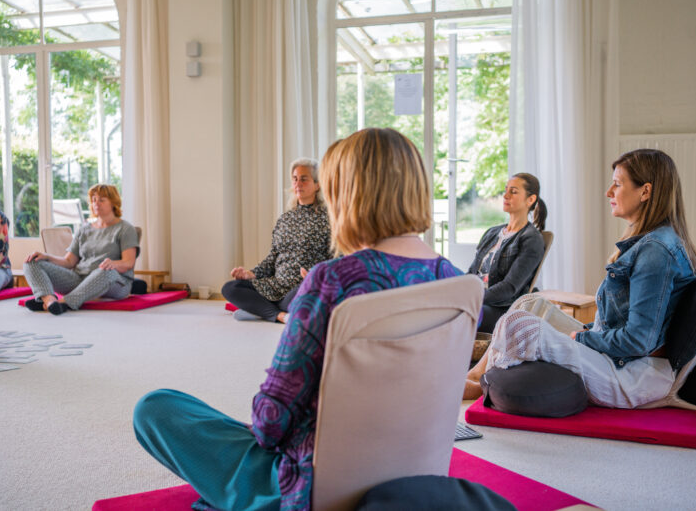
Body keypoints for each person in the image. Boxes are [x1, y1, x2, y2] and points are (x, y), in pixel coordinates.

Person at [134, 128, 466, 510]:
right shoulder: (457, 281)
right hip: (418, 472)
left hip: (316, 486)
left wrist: (264, 429)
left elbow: (270, 422)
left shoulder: (333, 280)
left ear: (345, 193)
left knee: (157, 407)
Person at [464, 149, 696, 408]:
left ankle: (484, 383)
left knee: (517, 323)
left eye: (618, 184)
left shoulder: (655, 252)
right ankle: (476, 378)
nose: (609, 192)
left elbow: (638, 341)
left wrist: (580, 338)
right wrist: (586, 332)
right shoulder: (648, 243)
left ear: (645, 192)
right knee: (529, 304)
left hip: (629, 374)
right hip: (617, 357)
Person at [222, 158, 331, 323]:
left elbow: (335, 257)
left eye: (304, 178)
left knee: (304, 296)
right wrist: (250, 274)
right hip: (276, 285)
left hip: (302, 286)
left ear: (317, 184)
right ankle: (279, 315)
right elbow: (273, 258)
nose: (298, 183)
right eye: (295, 179)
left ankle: (260, 310)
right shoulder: (285, 219)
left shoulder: (329, 219)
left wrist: (316, 276)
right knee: (230, 288)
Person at [23, 184, 138, 315]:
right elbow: (69, 262)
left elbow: (129, 263)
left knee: (106, 271)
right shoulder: (84, 229)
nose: (96, 203)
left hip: (115, 282)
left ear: (113, 202)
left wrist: (114, 264)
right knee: (31, 261)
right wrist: (46, 256)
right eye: (94, 200)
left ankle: (64, 303)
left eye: (101, 199)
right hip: (80, 279)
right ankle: (49, 300)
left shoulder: (125, 229)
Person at [467, 173, 547, 333]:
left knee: (455, 316)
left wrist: (473, 297)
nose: (505, 195)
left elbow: (509, 288)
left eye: (514, 191)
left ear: (530, 200)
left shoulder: (531, 239)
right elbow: (471, 272)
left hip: (501, 308)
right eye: (506, 190)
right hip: (477, 300)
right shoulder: (492, 232)